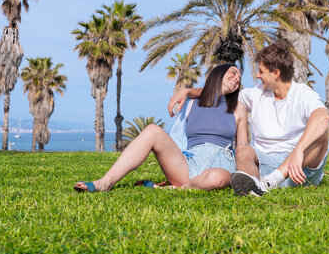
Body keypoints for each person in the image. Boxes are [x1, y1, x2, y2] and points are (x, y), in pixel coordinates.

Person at [169, 43, 329, 197]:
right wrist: (188, 91)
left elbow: (322, 117)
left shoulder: (302, 93)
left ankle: (271, 182)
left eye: (261, 71)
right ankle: (255, 189)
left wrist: (299, 151)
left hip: (299, 169)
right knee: (243, 149)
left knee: (322, 136)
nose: (257, 75)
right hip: (264, 167)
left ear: (276, 73)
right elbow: (220, 91)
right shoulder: (256, 94)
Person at [73, 64, 247, 192]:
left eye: (239, 78)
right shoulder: (192, 103)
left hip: (222, 165)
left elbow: (243, 149)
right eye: (233, 72)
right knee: (152, 130)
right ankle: (105, 182)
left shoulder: (238, 108)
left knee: (217, 177)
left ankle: (170, 189)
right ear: (218, 74)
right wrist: (186, 91)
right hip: (188, 165)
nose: (237, 78)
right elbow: (209, 93)